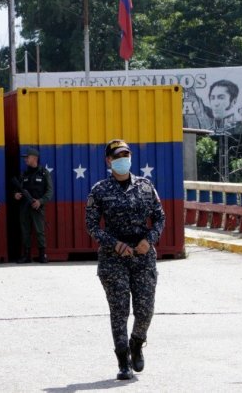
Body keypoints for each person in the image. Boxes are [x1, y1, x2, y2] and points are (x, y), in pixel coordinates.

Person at [85, 139, 165, 380]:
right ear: (109, 160)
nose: (123, 159)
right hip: (114, 259)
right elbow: (91, 226)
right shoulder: (99, 190)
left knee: (145, 310)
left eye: (126, 155)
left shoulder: (145, 186)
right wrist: (114, 244)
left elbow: (160, 218)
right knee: (119, 311)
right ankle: (122, 361)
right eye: (118, 156)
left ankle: (137, 343)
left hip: (142, 256)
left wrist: (149, 240)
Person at [13, 147, 53, 263]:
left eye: (27, 157)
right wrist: (16, 195)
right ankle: (26, 256)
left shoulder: (44, 173)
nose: (25, 159)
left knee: (40, 231)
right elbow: (16, 190)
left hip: (37, 206)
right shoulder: (24, 174)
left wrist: (40, 201)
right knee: (25, 230)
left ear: (35, 158)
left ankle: (42, 255)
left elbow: (49, 191)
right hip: (24, 206)